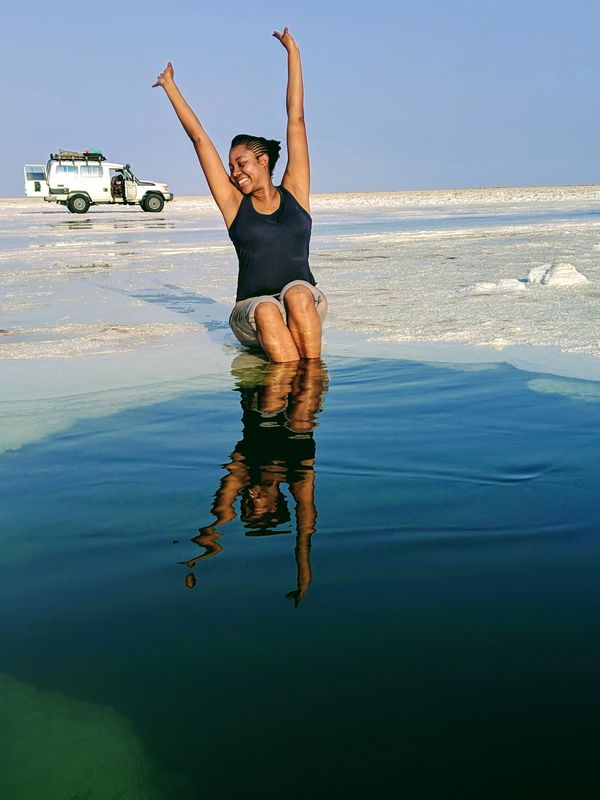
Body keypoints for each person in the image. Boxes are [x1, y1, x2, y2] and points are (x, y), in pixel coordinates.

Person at [153, 28, 327, 362]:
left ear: (263, 161)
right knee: (266, 310)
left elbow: (297, 118)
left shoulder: (296, 191)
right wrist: (170, 87)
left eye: (241, 163)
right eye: (231, 166)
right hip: (251, 313)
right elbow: (200, 140)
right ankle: (292, 391)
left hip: (301, 302)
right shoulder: (235, 205)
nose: (235, 172)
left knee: (299, 295)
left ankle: (307, 400)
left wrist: (293, 52)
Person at [182, 357, 328, 606]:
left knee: (270, 404)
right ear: (276, 504)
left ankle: (293, 354)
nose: (248, 499)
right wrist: (304, 572)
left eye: (245, 508)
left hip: (268, 387)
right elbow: (305, 527)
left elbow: (222, 511)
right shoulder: (296, 477)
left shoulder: (242, 471)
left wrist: (209, 543)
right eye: (255, 506)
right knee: (302, 417)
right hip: (305, 387)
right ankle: (308, 363)